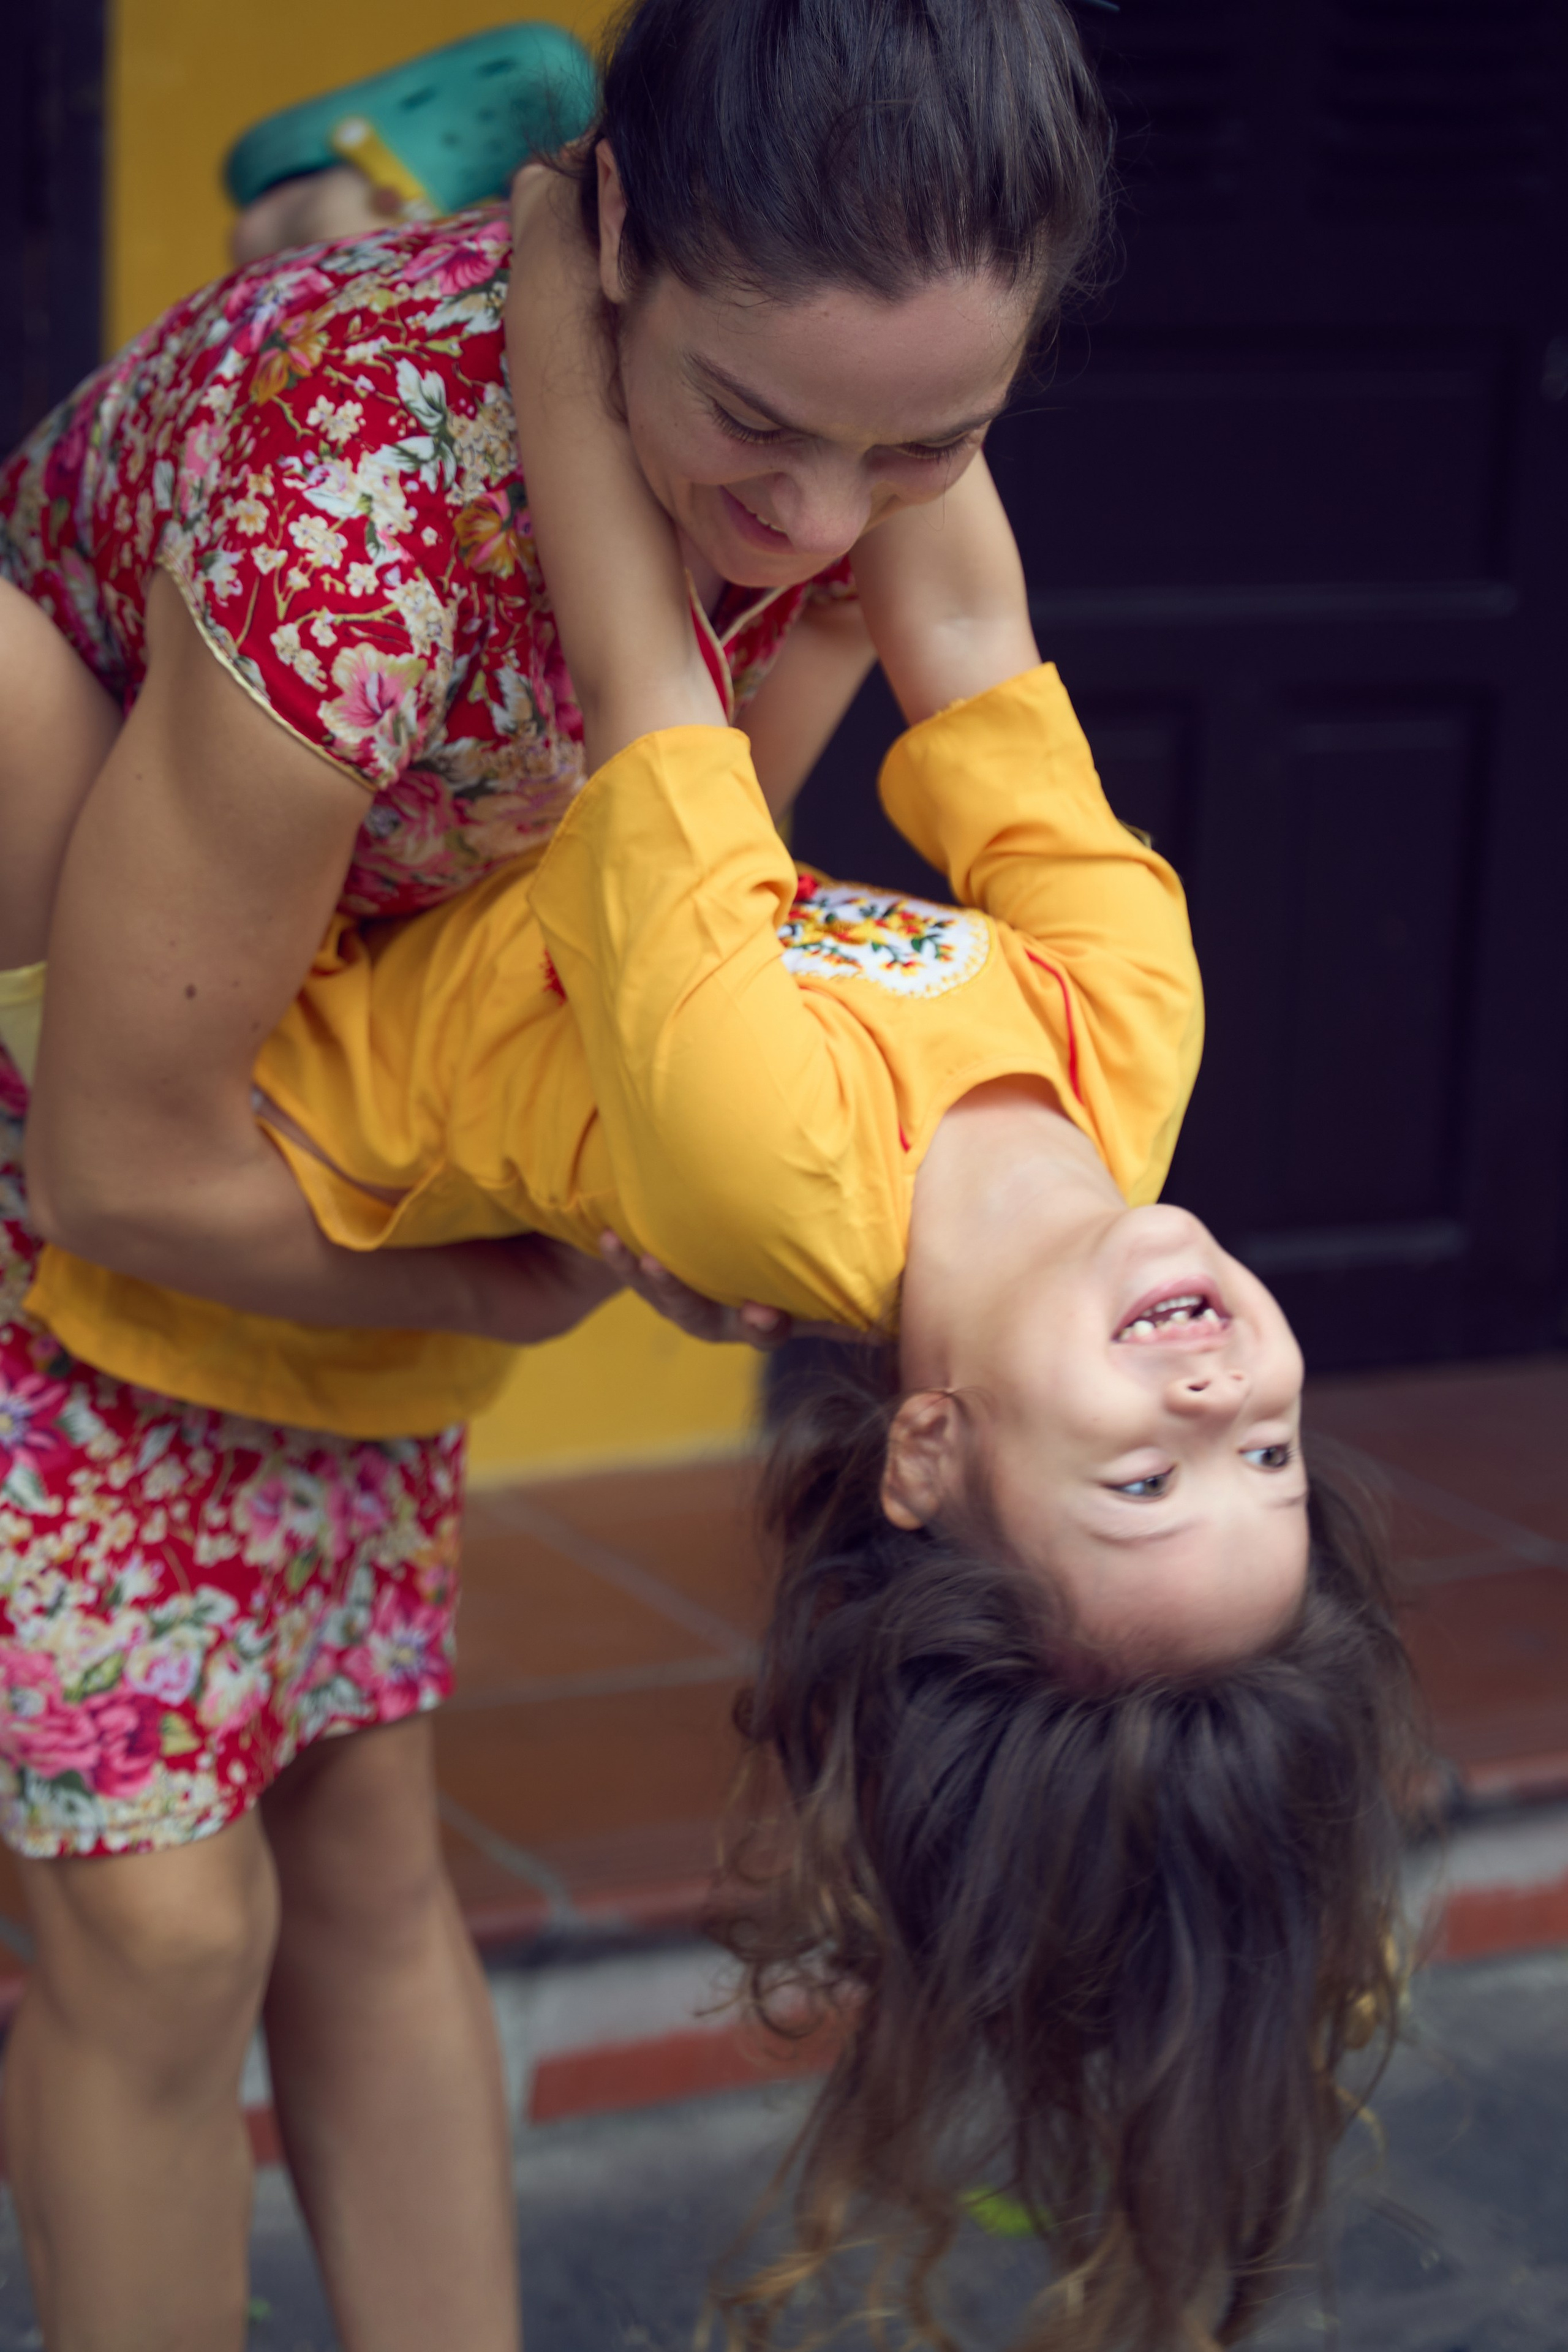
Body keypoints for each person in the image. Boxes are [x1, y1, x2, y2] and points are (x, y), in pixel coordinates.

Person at [10, 164, 1419, 2350]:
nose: (1228, 1412)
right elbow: (953, 636)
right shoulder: (1125, 1051)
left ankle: (339, 283)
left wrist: (566, 284)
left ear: (933, 1453)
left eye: (1151, 1477)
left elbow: (640, 672)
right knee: (276, 1902)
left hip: (197, 1158)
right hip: (388, 983)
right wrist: (906, 390)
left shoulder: (784, 1168)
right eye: (1270, 1471)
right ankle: (326, 280)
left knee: (269, 1908)